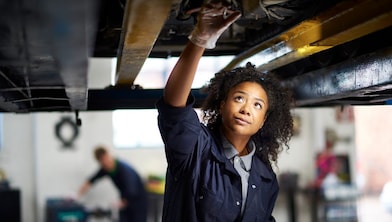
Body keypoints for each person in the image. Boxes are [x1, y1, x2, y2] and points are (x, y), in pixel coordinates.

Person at [156, 2, 294, 221]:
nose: (246, 109)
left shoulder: (265, 176)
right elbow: (174, 106)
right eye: (239, 98)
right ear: (222, 105)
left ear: (263, 120)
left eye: (257, 105)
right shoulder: (195, 149)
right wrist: (201, 39)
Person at [78, 145, 148, 222]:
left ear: (108, 155)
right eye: (102, 162)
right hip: (125, 202)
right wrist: (77, 196)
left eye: (105, 159)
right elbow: (91, 181)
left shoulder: (124, 169)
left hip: (137, 202)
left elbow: (132, 190)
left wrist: (119, 203)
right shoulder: (106, 169)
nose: (105, 163)